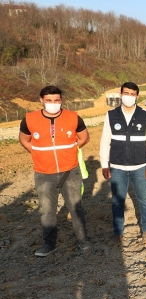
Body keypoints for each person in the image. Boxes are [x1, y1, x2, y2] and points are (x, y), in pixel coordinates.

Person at [19, 86, 90, 257]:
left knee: (75, 207)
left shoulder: (73, 117)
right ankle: (49, 244)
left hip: (70, 171)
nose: (53, 103)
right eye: (49, 100)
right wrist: (37, 152)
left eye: (56, 100)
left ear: (61, 100)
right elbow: (24, 139)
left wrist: (70, 151)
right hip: (44, 173)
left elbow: (84, 137)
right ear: (41, 100)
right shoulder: (29, 119)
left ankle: (83, 240)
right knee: (47, 210)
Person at [99, 82, 146, 246]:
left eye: (132, 94)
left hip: (140, 165)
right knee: (117, 201)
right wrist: (105, 163)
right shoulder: (111, 115)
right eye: (126, 93)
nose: (129, 97)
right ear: (120, 94)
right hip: (118, 166)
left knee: (144, 199)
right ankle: (118, 233)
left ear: (137, 97)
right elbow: (105, 140)